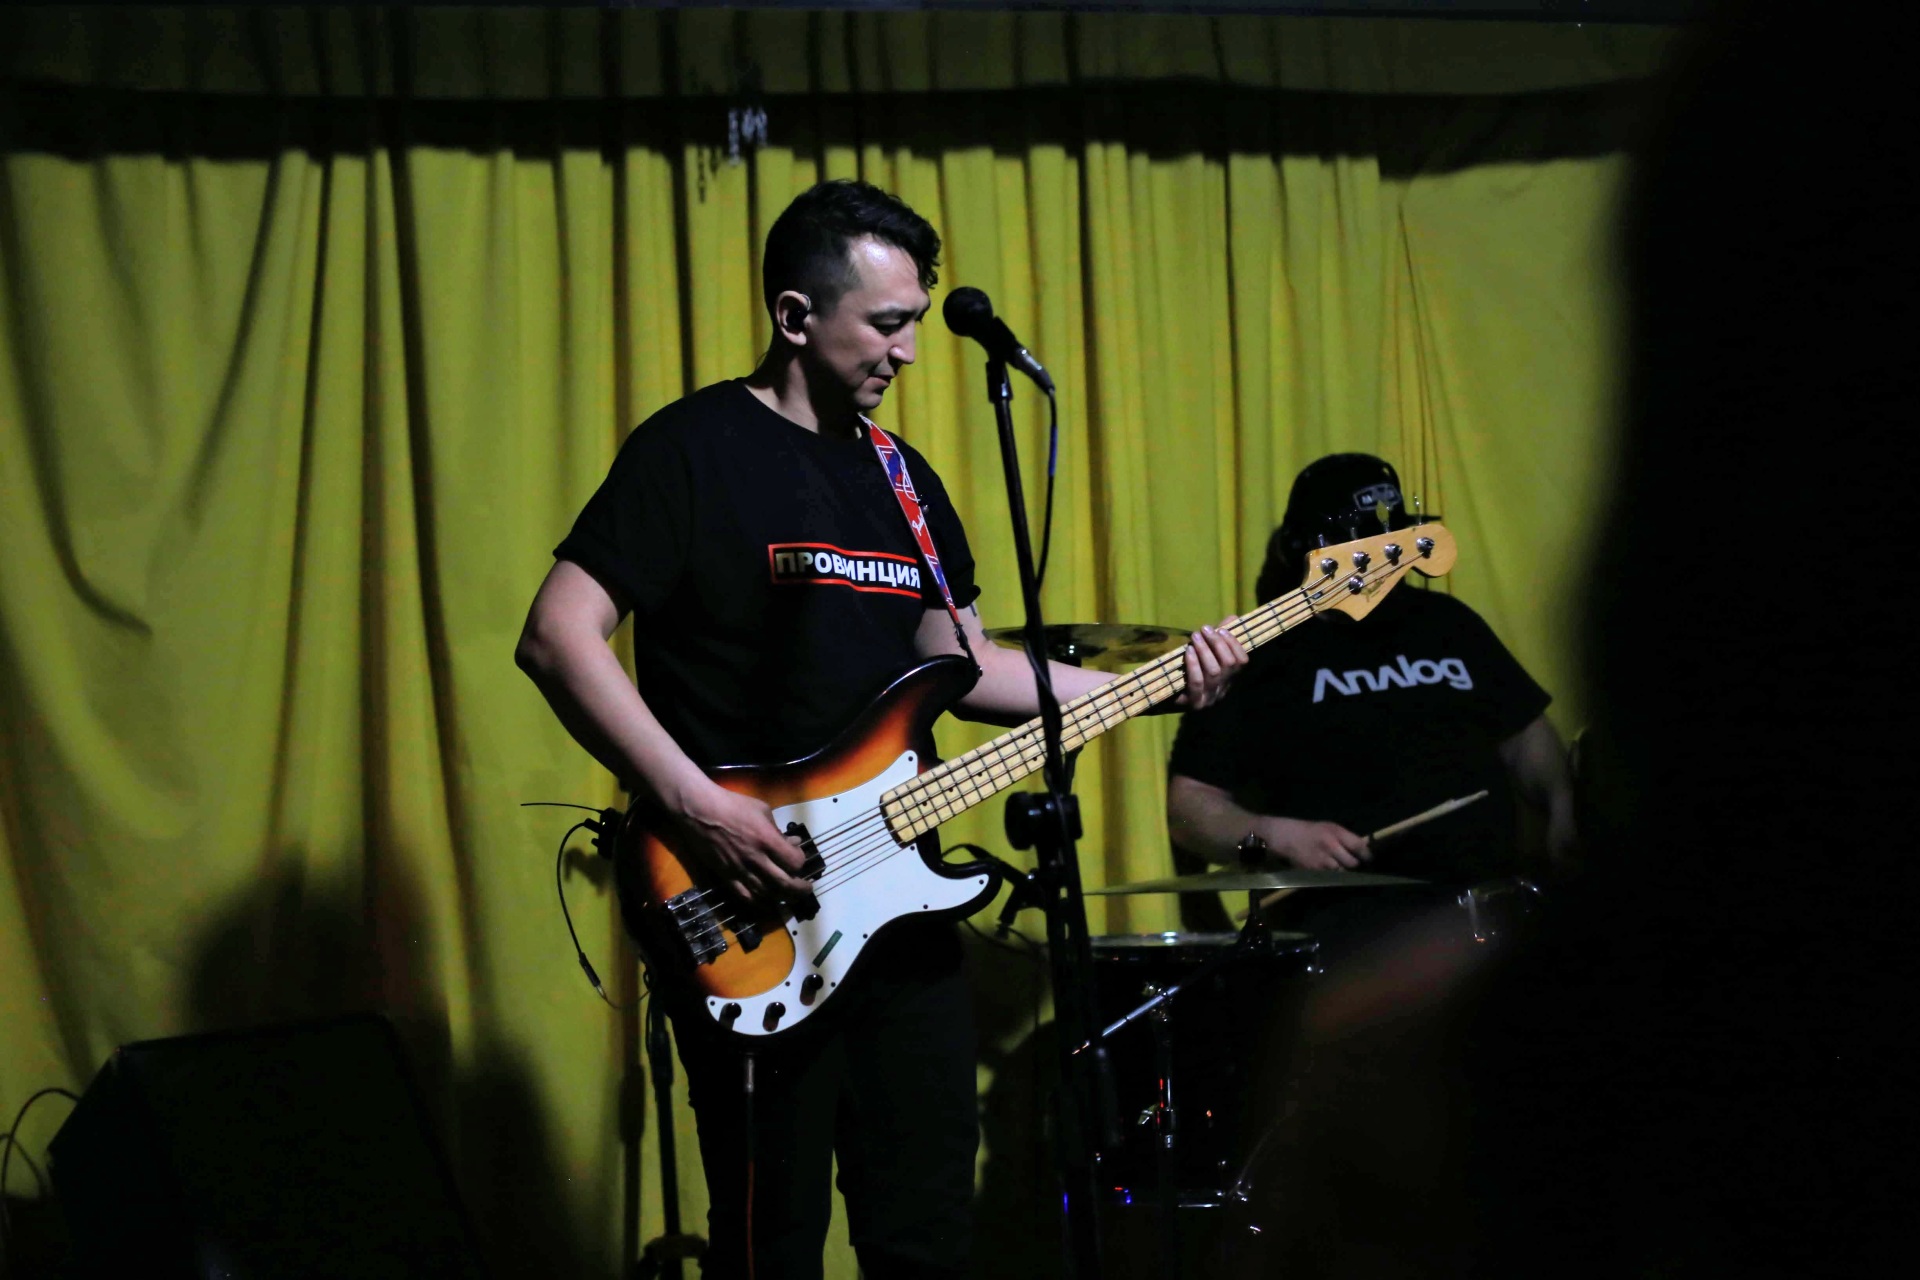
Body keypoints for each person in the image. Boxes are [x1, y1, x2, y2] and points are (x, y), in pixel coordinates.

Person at [514, 179, 1246, 1280]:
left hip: (899, 909)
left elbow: (967, 665)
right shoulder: (694, 447)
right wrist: (696, 806)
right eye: (888, 323)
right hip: (750, 899)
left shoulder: (905, 480)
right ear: (795, 315)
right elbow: (557, 635)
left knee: (926, 1232)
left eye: (916, 322)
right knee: (774, 1244)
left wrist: (1149, 685)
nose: (907, 351)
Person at [1164, 453, 1574, 950]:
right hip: (1345, 935)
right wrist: (1279, 835)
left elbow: (1525, 734)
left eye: (1393, 543)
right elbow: (1190, 804)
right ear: (1307, 550)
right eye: (1364, 546)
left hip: (1486, 917)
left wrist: (1563, 803)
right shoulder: (1259, 653)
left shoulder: (1449, 623)